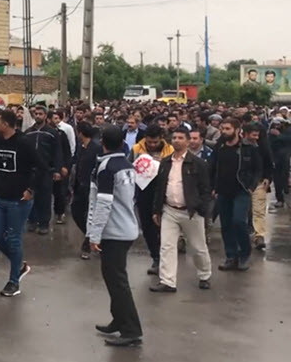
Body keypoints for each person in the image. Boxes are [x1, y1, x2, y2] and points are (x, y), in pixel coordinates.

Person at [88, 126, 143, 348]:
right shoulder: (127, 165)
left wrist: (94, 234)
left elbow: (104, 203)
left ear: (103, 143)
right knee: (113, 278)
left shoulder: (107, 167)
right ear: (123, 143)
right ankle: (119, 319)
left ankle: (131, 329)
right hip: (126, 227)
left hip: (115, 232)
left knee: (118, 282)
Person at [0, 109, 40, 298]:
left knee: (14, 239)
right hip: (0, 197)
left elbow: (40, 167)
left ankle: (13, 281)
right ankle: (20, 265)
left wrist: (31, 189)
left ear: (6, 124)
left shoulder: (24, 142)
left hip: (19, 200)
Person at [150, 126, 212, 293]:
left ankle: (204, 275)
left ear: (187, 141)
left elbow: (206, 189)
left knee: (198, 247)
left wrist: (201, 208)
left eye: (180, 138)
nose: (176, 140)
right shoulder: (165, 162)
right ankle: (167, 281)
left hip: (191, 211)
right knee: (167, 246)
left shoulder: (198, 163)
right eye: (174, 137)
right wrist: (156, 210)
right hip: (169, 210)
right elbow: (160, 188)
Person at [209, 117, 261, 272]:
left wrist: (251, 186)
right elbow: (212, 167)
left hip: (241, 190)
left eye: (227, 129)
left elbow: (258, 168)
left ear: (237, 130)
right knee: (226, 225)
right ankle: (231, 256)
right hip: (223, 191)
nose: (224, 132)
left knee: (239, 221)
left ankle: (244, 254)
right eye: (222, 129)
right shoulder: (220, 146)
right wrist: (213, 187)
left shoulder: (248, 147)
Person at [130, 124, 173, 276]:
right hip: (143, 192)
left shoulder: (170, 150)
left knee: (165, 227)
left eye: (155, 142)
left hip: (164, 192)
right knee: (147, 227)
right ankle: (155, 257)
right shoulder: (136, 149)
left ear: (161, 139)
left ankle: (167, 259)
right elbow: (130, 168)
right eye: (149, 142)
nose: (152, 145)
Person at [23, 105, 63, 235]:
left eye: (40, 114)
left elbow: (57, 152)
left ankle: (44, 223)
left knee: (45, 197)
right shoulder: (28, 132)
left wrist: (57, 169)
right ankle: (32, 221)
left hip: (46, 170)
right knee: (30, 195)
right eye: (36, 113)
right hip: (30, 170)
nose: (38, 116)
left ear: (45, 116)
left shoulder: (52, 133)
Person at [70, 122, 101, 259]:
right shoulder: (81, 147)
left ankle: (89, 241)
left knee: (91, 215)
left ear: (81, 133)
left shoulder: (96, 148)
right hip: (79, 186)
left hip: (91, 187)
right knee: (76, 211)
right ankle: (90, 235)